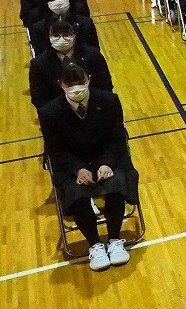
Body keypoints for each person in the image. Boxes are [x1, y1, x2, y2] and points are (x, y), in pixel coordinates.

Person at [39, 63, 140, 272]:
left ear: (89, 79)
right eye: (71, 84)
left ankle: (114, 239)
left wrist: (107, 162)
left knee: (115, 184)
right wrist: (78, 169)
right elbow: (54, 149)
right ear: (61, 85)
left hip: (106, 157)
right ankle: (94, 244)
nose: (76, 87)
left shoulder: (109, 101)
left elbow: (118, 137)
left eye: (81, 82)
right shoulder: (49, 112)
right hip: (72, 163)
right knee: (77, 192)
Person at [29, 19, 114, 110]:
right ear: (49, 37)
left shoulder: (94, 55)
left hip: (95, 109)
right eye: (56, 35)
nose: (61, 39)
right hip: (59, 113)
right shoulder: (38, 64)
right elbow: (39, 97)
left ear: (74, 35)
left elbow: (105, 85)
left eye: (66, 35)